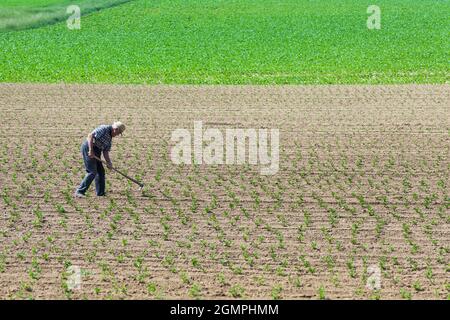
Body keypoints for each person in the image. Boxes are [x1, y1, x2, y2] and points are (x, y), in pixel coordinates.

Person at [75, 122, 125, 197]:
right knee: (92, 171)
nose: (117, 135)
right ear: (115, 129)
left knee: (100, 171)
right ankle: (79, 192)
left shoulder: (109, 139)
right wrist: (91, 150)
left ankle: (100, 193)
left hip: (97, 151)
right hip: (89, 147)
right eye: (118, 133)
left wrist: (109, 163)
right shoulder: (104, 129)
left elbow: (105, 151)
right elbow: (90, 136)